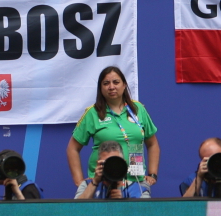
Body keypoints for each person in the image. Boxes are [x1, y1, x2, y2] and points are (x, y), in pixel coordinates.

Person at [68, 66, 160, 195]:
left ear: (124, 85)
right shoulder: (92, 113)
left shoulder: (138, 109)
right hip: (103, 183)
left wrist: (152, 174)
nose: (111, 87)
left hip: (135, 182)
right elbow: (72, 148)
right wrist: (79, 182)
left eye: (116, 82)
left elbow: (152, 144)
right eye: (106, 83)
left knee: (140, 215)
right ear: (101, 87)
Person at [74, 141, 145, 199]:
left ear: (124, 163)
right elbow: (76, 210)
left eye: (115, 162)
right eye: (106, 163)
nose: (111, 166)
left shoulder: (138, 189)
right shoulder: (86, 185)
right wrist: (95, 182)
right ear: (98, 163)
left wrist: (123, 203)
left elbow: (146, 214)